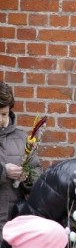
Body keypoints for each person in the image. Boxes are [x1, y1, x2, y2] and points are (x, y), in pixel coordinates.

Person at [0, 82, 41, 234]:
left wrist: (28, 177)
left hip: (12, 221)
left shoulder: (22, 138)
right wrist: (3, 172)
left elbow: (37, 173)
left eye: (4, 114)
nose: (0, 119)